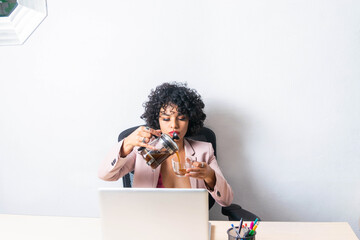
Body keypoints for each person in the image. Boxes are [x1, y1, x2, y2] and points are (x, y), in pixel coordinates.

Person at [98, 82, 233, 206]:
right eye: (166, 119)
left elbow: (226, 201)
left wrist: (210, 176)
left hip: (188, 222)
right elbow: (105, 175)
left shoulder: (204, 151)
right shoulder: (143, 150)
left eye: (181, 118)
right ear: (157, 120)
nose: (174, 125)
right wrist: (126, 144)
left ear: (190, 120)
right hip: (148, 219)